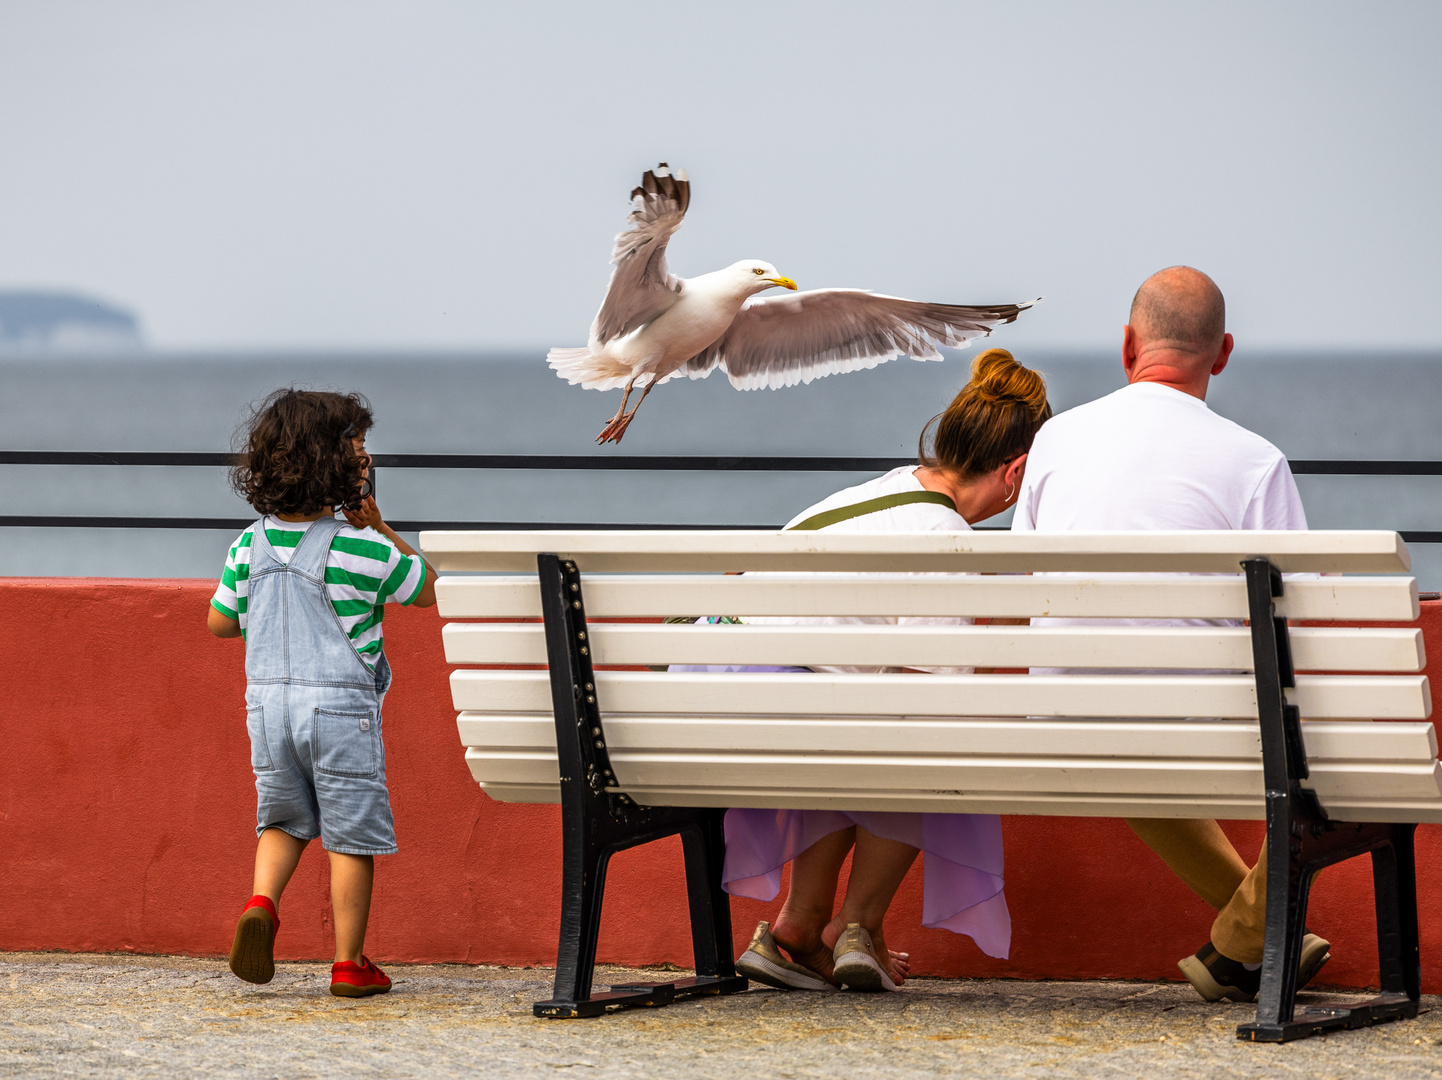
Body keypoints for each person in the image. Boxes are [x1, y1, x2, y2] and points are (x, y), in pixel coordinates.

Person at [1010, 265, 1330, 1003]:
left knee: (1120, 734)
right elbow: (1299, 619)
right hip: (1199, 727)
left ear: (1128, 344)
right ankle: (1241, 940)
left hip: (1064, 721)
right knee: (1345, 756)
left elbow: (1031, 585)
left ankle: (1245, 941)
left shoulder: (1056, 440)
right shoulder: (1256, 461)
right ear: (1221, 354)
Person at [722, 348, 1052, 992]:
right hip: (783, 714)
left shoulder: (882, 490)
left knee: (859, 718)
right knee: (931, 738)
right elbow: (939, 691)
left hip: (719, 703)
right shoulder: (943, 537)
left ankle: (797, 925)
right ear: (1016, 472)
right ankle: (860, 928)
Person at [207, 389, 437, 998]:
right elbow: (429, 589)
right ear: (339, 467)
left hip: (268, 710)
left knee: (282, 819)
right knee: (349, 835)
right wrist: (382, 526)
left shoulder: (246, 544)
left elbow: (220, 622)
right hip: (340, 713)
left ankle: (261, 902)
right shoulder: (363, 548)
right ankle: (348, 962)